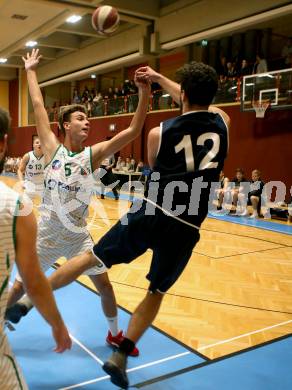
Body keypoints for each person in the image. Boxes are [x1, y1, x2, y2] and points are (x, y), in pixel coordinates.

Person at [37, 61, 230, 388]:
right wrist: (160, 80)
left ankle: (29, 299)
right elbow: (199, 106)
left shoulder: (160, 131)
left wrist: (153, 81)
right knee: (155, 291)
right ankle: (122, 353)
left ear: (181, 94)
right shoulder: (224, 121)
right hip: (187, 223)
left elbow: (155, 165)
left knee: (95, 257)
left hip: (153, 210)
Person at [6, 49, 150, 357]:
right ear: (65, 125)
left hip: (78, 236)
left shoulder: (92, 154)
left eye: (88, 119)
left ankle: (114, 334)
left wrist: (143, 94)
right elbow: (37, 105)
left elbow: (133, 131)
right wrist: (30, 71)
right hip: (47, 231)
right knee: (18, 288)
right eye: (81, 118)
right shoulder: (51, 149)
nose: (87, 123)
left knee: (106, 286)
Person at [0, 107, 71, 389]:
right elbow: (34, 278)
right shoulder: (15, 207)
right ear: (4, 142)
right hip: (26, 196)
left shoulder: (52, 158)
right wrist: (56, 323)